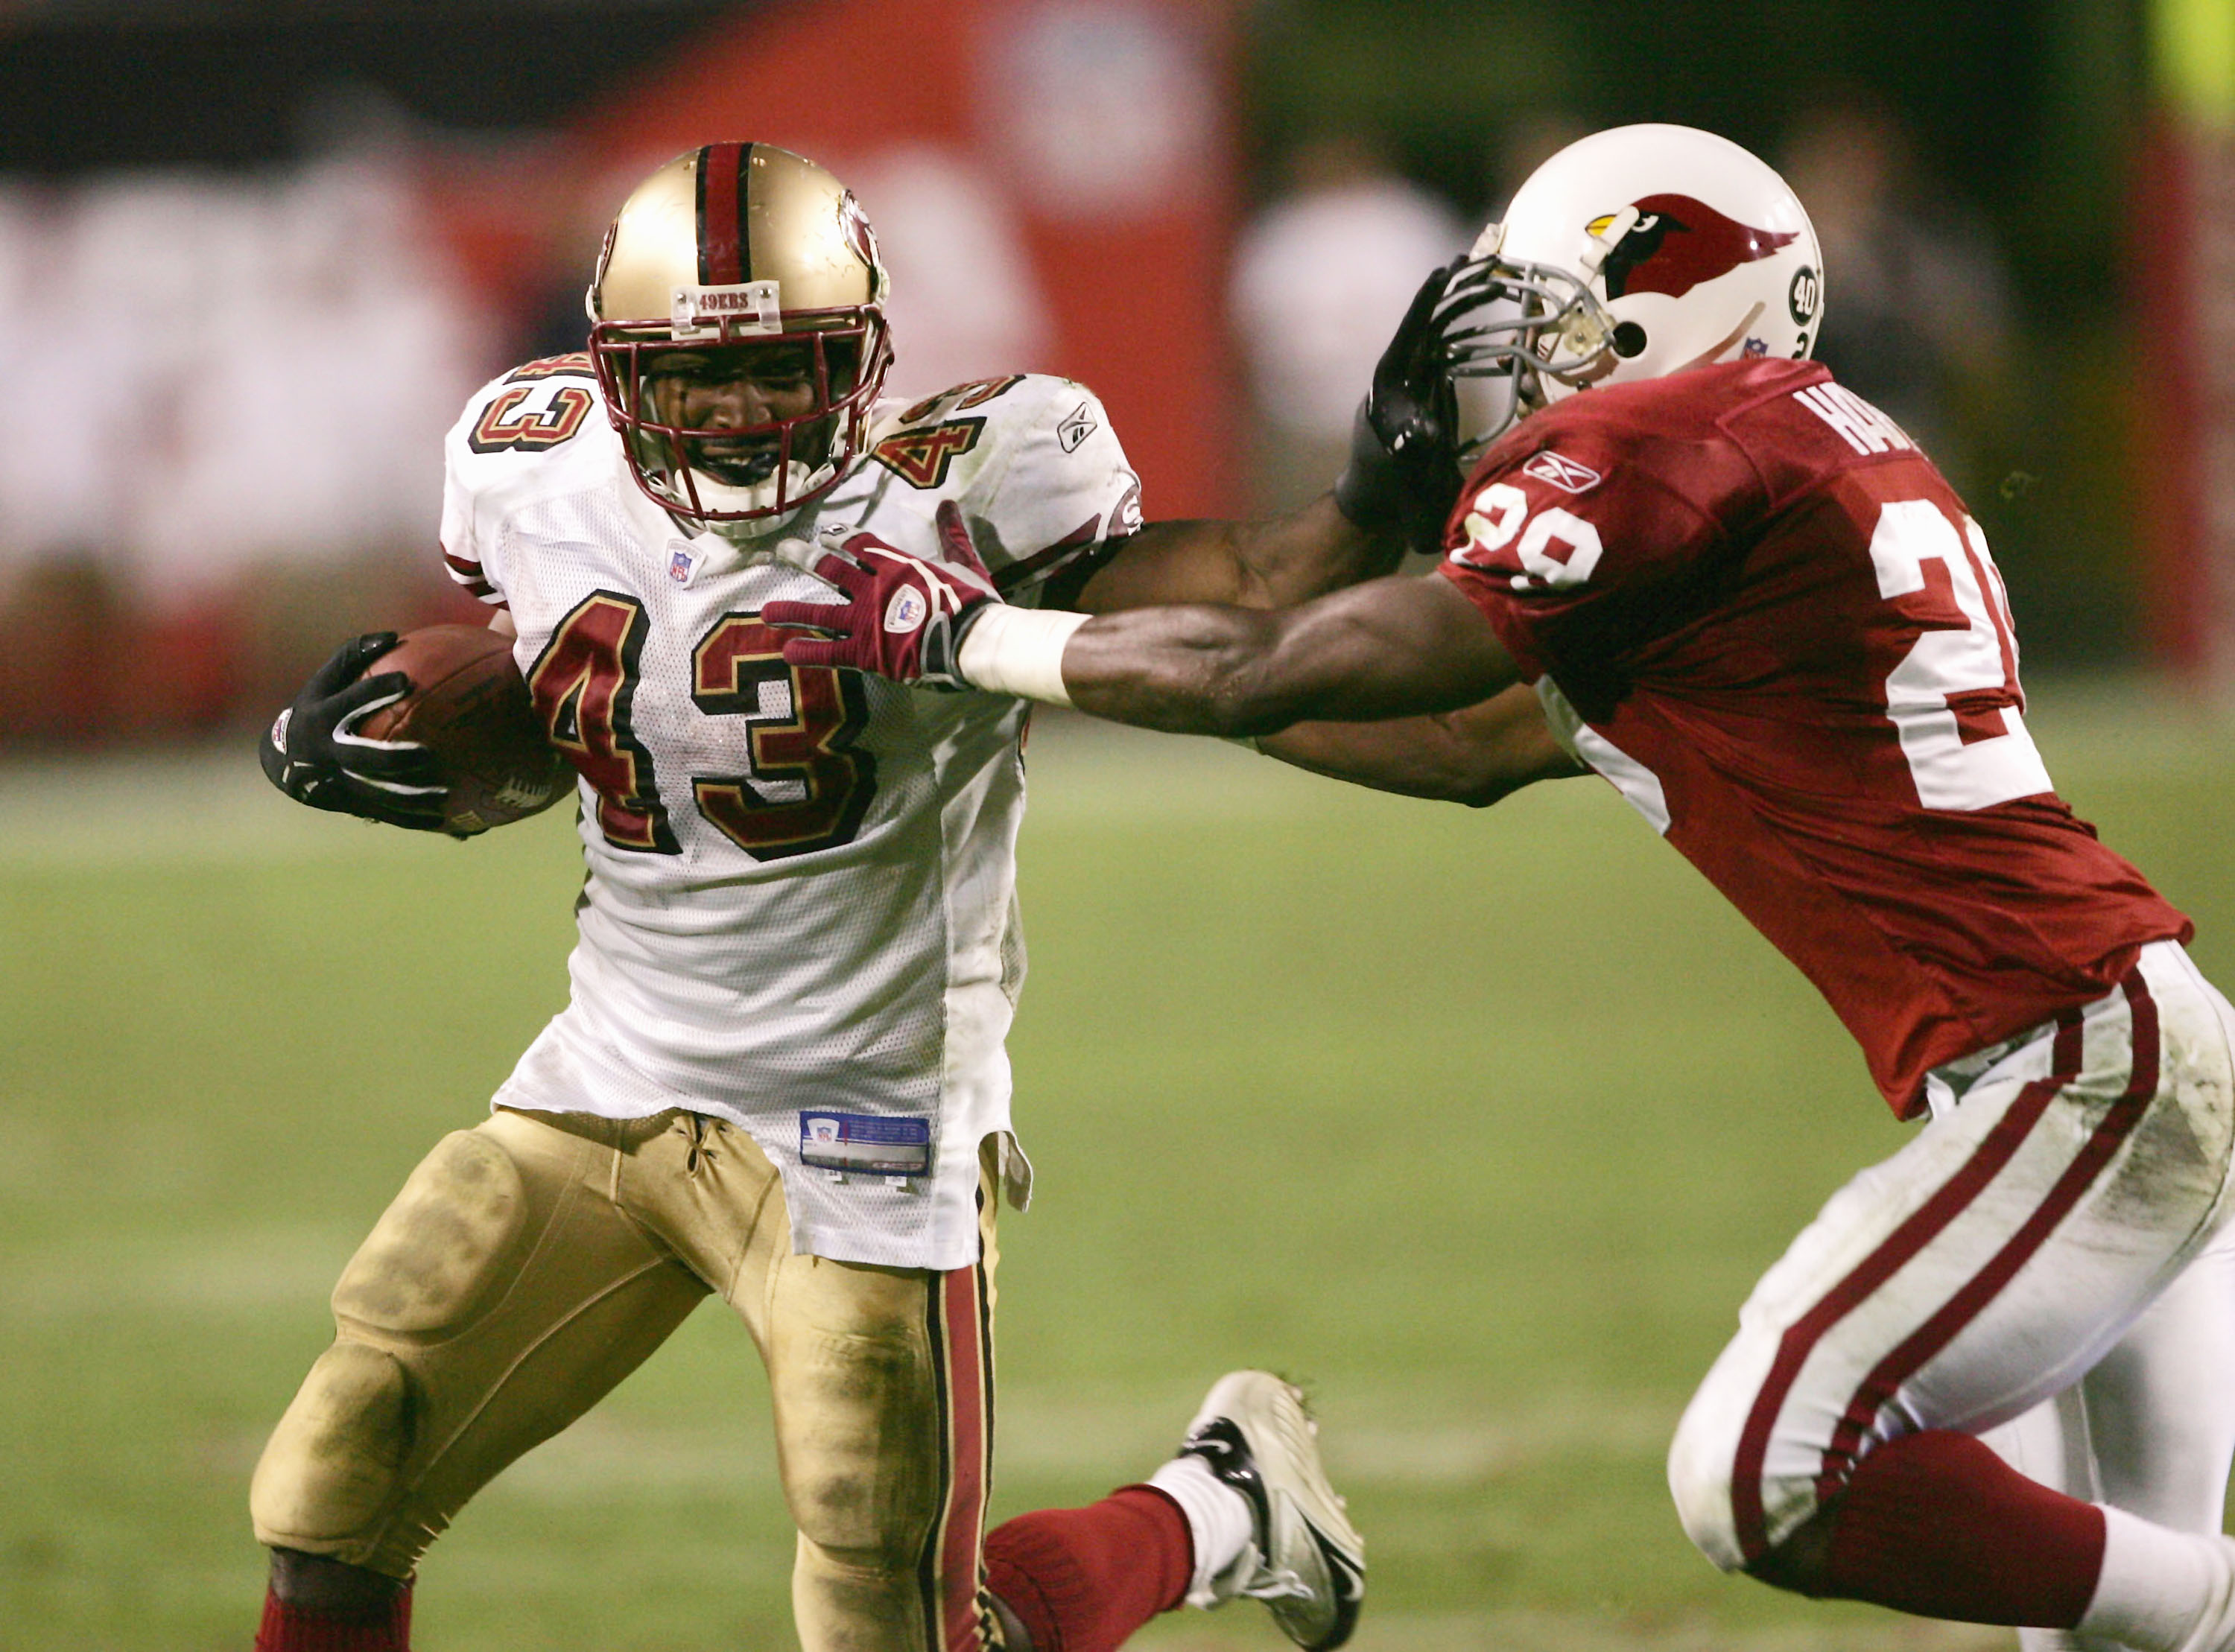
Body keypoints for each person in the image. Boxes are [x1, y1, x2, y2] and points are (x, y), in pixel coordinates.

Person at [767, 124, 2235, 1652]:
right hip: (2106, 1053)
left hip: (2076, 1071)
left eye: (1559, 323)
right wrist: (1149, 678)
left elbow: (1276, 663)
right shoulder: (1806, 445)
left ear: (1679, 301)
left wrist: (973, 643)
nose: (1524, 370)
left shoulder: (1677, 439)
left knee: (1767, 1464)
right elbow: (1462, 742)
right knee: (2087, 1620)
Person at [250, 139, 1471, 1652]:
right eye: (697, 377)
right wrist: (422, 745)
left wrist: (1369, 489)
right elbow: (596, 691)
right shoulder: (528, 453)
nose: (741, 412)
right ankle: (1227, 1501)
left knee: (894, 1625)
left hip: (865, 1129)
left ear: (867, 356)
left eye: (782, 368)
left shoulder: (973, 483)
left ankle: (1214, 1508)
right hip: (611, 1075)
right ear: (615, 373)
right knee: (336, 1480)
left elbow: (1257, 595)